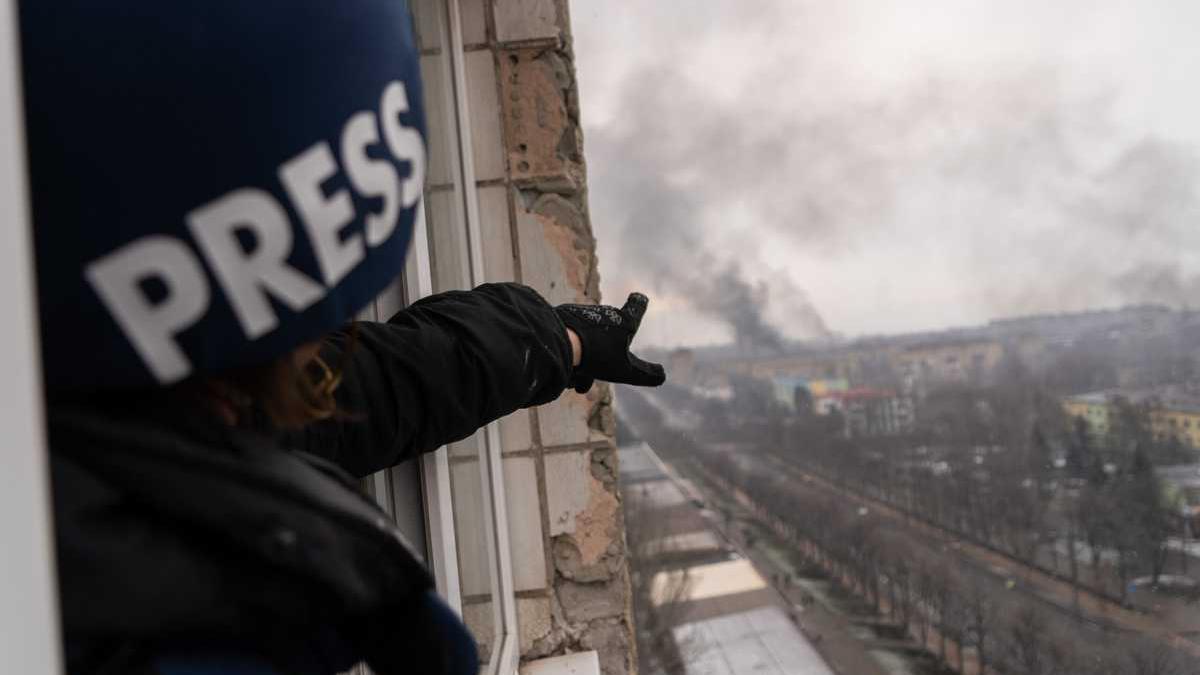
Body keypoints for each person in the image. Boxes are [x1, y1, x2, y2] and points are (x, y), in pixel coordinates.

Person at [22, 2, 665, 674]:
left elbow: (373, 390)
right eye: (284, 334)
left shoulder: (142, 420)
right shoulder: (162, 606)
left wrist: (557, 341)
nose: (305, 362)